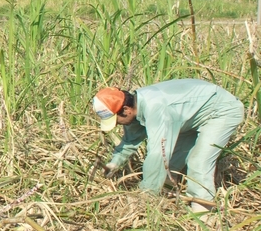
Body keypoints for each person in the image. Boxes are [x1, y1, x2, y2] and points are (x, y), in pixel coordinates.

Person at [92, 80, 244, 212]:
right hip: (189, 116)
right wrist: (114, 164)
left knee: (198, 162)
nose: (117, 124)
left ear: (126, 110)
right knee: (170, 167)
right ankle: (169, 203)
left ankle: (203, 213)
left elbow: (159, 154)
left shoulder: (156, 108)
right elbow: (130, 141)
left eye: (116, 120)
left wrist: (144, 196)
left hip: (221, 110)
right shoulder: (135, 107)